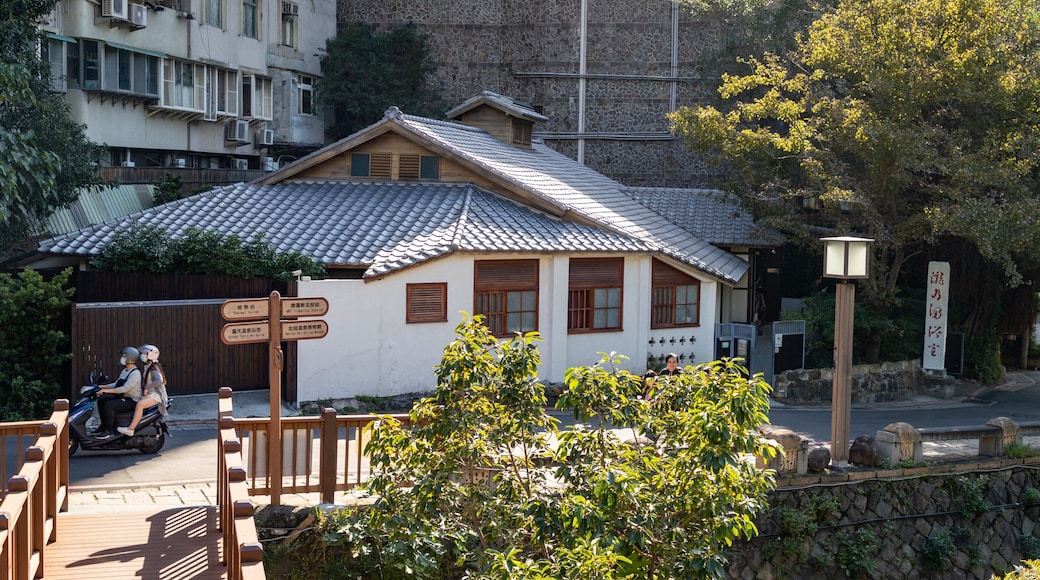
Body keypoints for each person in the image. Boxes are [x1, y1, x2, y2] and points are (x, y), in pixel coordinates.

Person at [117, 344, 168, 436]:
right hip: (151, 393)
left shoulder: (153, 368)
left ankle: (130, 429)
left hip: (157, 395)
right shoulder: (148, 366)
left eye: (145, 353)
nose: (142, 355)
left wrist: (146, 388)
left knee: (140, 405)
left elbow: (159, 381)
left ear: (150, 355)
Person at [95, 347, 142, 436]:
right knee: (102, 400)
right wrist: (100, 387)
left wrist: (107, 391)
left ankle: (109, 429)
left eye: (124, 356)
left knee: (110, 405)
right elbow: (116, 384)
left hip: (131, 400)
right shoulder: (125, 370)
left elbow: (124, 389)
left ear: (130, 358)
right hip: (123, 397)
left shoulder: (135, 373)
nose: (122, 358)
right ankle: (103, 425)